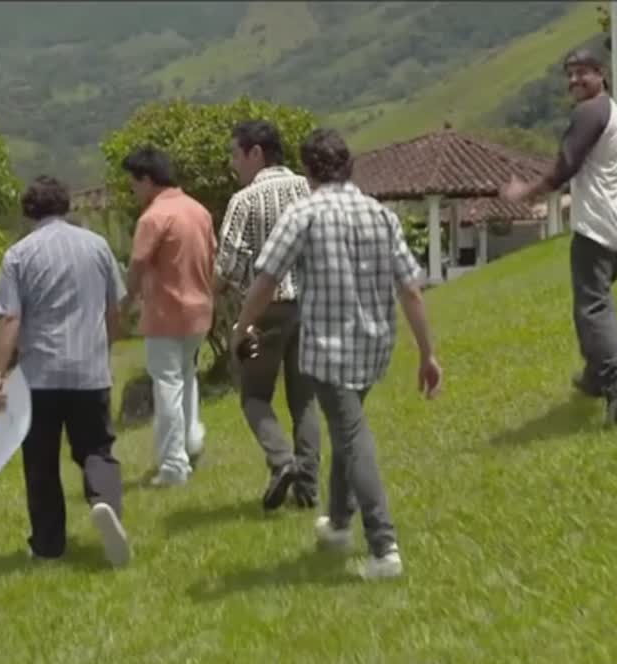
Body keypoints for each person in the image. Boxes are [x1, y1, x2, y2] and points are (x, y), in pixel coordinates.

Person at [231, 128, 442, 580]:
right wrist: (428, 354)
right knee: (348, 429)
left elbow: (266, 280)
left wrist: (242, 325)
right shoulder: (379, 214)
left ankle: (384, 548)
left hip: (328, 349)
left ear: (308, 170)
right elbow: (411, 289)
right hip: (374, 345)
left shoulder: (304, 214)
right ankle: (340, 524)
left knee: (352, 436)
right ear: (349, 165)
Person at [500, 48, 617, 426]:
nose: (574, 80)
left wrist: (525, 192)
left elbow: (565, 166)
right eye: (569, 74)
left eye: (582, 72)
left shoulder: (589, 112)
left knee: (593, 305)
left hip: (597, 227)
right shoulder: (613, 113)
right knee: (592, 303)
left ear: (601, 74)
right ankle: (595, 376)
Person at [0, 175, 131, 567]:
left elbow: (10, 318)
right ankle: (105, 501)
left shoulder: (18, 255)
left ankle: (48, 546)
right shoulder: (97, 246)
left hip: (40, 375)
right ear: (66, 205)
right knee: (96, 449)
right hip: (90, 370)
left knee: (40, 462)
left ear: (29, 210)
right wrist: (106, 349)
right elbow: (114, 310)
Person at [215, 119, 322, 511]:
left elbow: (228, 266)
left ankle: (281, 461)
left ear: (256, 153)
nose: (233, 164)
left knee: (255, 396)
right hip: (312, 306)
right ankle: (307, 489)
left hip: (266, 310)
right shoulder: (310, 190)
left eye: (236, 154)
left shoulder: (244, 200)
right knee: (304, 399)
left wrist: (215, 298)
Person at [121, 147, 216, 488]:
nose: (133, 190)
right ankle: (191, 440)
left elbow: (137, 266)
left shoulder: (153, 218)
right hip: (199, 311)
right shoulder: (198, 211)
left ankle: (174, 464)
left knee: (167, 386)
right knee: (186, 377)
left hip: (165, 314)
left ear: (147, 179)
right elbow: (212, 257)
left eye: (134, 183)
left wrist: (124, 304)